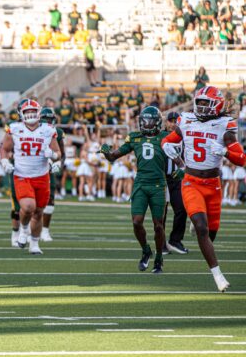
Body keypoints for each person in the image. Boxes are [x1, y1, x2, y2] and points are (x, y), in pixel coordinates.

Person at [162, 86, 245, 292]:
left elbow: (242, 159)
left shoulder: (224, 124)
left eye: (204, 103)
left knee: (211, 232)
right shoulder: (186, 119)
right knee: (201, 227)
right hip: (191, 182)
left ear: (215, 104)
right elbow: (169, 140)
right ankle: (218, 275)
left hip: (213, 186)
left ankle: (197, 220)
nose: (200, 106)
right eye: (198, 102)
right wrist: (168, 148)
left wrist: (225, 151)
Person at [101, 106, 173, 273]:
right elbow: (114, 156)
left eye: (149, 121)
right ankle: (146, 250)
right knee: (136, 221)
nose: (146, 124)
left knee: (158, 226)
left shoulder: (165, 137)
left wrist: (181, 168)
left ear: (157, 122)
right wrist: (106, 152)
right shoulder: (134, 137)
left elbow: (181, 150)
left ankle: (159, 259)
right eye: (144, 121)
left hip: (158, 185)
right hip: (140, 183)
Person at [0, 99, 61, 254]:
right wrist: (4, 161)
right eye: (28, 112)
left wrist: (53, 156)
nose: (31, 114)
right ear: (21, 114)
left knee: (39, 212)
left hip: (42, 176)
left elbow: (58, 154)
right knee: (28, 207)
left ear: (39, 113)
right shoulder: (14, 128)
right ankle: (23, 229)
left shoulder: (48, 129)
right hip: (22, 174)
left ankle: (34, 244)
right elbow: (5, 149)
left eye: (33, 111)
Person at [161, 112, 189, 255]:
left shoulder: (185, 138)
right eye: (170, 121)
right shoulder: (161, 137)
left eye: (175, 121)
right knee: (162, 213)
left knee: (182, 209)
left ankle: (175, 240)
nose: (172, 124)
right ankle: (161, 243)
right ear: (165, 123)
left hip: (178, 179)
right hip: (163, 179)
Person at [39, 108, 65, 242]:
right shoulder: (33, 131)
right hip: (34, 169)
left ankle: (45, 231)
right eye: (46, 119)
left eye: (50, 119)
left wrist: (59, 163)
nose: (48, 122)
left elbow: (63, 154)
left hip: (49, 171)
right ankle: (24, 229)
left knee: (50, 200)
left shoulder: (57, 132)